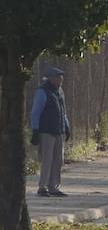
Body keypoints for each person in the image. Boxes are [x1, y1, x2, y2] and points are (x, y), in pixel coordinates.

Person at [29, 67, 72, 198]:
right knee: (47, 160)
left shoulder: (59, 92)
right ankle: (42, 187)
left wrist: (67, 126)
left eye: (61, 78)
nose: (61, 80)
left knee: (59, 160)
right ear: (51, 78)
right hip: (46, 131)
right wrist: (35, 130)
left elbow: (63, 111)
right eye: (58, 78)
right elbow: (35, 113)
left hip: (58, 130)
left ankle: (54, 187)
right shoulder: (42, 92)